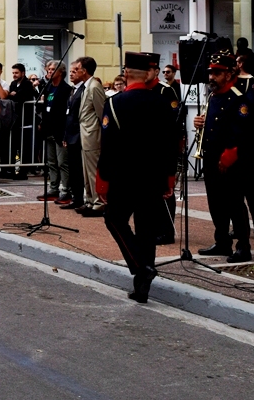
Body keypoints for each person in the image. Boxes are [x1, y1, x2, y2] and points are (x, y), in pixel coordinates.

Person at [100, 52, 175, 303]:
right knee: (146, 230)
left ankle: (141, 266)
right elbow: (170, 143)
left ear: (127, 73)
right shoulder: (162, 102)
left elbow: (108, 145)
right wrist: (169, 177)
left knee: (113, 219)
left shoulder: (115, 103)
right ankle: (142, 287)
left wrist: (103, 178)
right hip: (153, 175)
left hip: (124, 175)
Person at [194, 51, 254, 263]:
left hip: (230, 160)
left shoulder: (239, 99)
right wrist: (200, 123)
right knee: (216, 203)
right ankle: (222, 241)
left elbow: (242, 130)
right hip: (212, 157)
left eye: (218, 73)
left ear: (230, 73)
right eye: (211, 72)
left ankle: (243, 247)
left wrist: (230, 154)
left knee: (235, 204)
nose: (212, 76)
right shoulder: (213, 96)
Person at [145, 54, 184, 244]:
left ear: (156, 72)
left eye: (149, 70)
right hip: (146, 149)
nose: (146, 73)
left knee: (165, 191)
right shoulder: (141, 91)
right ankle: (153, 228)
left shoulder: (165, 91)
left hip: (163, 148)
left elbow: (174, 122)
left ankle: (167, 231)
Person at [63, 57, 106, 216]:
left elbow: (102, 114)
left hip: (92, 135)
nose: (75, 71)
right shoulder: (86, 87)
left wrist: (103, 135)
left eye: (77, 69)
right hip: (84, 135)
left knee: (93, 171)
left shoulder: (94, 87)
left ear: (85, 71)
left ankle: (98, 203)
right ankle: (89, 201)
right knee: (86, 172)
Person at [235, 52, 254, 241]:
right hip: (235, 139)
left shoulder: (250, 81)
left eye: (239, 60)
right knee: (236, 188)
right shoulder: (233, 81)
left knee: (251, 186)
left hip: (249, 138)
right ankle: (240, 225)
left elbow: (251, 106)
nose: (237, 64)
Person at [36, 62, 72, 204]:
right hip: (48, 129)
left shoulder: (66, 89)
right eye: (48, 69)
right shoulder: (48, 88)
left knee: (62, 162)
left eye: (53, 69)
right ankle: (53, 188)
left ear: (61, 72)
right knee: (51, 161)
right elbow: (45, 107)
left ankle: (66, 190)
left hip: (60, 130)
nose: (50, 72)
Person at [6, 63, 36, 178]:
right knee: (14, 146)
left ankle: (23, 172)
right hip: (15, 120)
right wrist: (12, 94)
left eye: (16, 73)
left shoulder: (27, 84)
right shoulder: (13, 84)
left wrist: (14, 95)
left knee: (24, 148)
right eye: (13, 73)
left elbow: (22, 97)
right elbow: (10, 96)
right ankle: (12, 170)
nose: (14, 75)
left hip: (26, 120)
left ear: (23, 73)